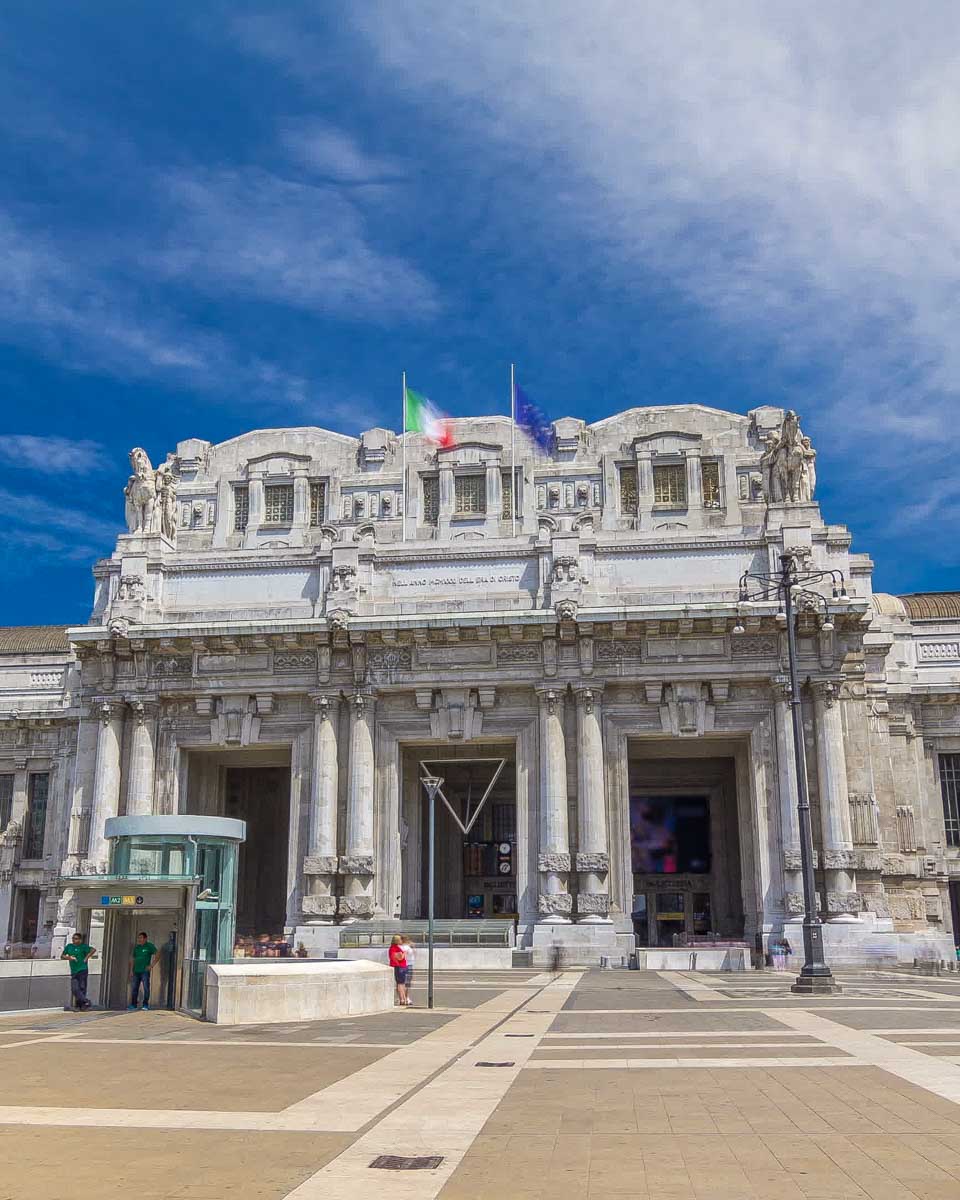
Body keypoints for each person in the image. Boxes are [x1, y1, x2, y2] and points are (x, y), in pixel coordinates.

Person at [61, 932, 96, 1011]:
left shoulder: (83, 947)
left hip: (82, 969)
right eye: (73, 938)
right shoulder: (69, 946)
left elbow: (93, 950)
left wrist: (86, 957)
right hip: (74, 970)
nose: (74, 940)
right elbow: (62, 956)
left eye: (76, 939)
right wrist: (69, 957)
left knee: (82, 987)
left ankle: (81, 1006)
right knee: (74, 989)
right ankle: (86, 1001)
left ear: (80, 940)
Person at [129, 931, 158, 1011]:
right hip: (136, 971)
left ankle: (145, 1004)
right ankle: (133, 1004)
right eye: (139, 938)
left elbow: (158, 954)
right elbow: (133, 959)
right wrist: (131, 970)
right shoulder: (137, 947)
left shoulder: (149, 946)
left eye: (141, 938)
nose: (139, 939)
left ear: (145, 938)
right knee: (134, 988)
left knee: (146, 987)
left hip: (144, 971)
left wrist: (151, 965)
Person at [388, 935, 408, 1007]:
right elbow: (399, 958)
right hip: (399, 967)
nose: (401, 941)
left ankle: (404, 998)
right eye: (400, 939)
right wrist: (404, 954)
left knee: (402, 983)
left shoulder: (396, 948)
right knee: (400, 983)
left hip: (401, 967)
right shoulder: (394, 948)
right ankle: (402, 999)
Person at [399, 934, 415, 1006]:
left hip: (404, 965)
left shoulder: (401, 947)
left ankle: (403, 998)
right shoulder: (406, 947)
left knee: (402, 983)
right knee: (406, 983)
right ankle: (405, 998)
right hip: (407, 965)